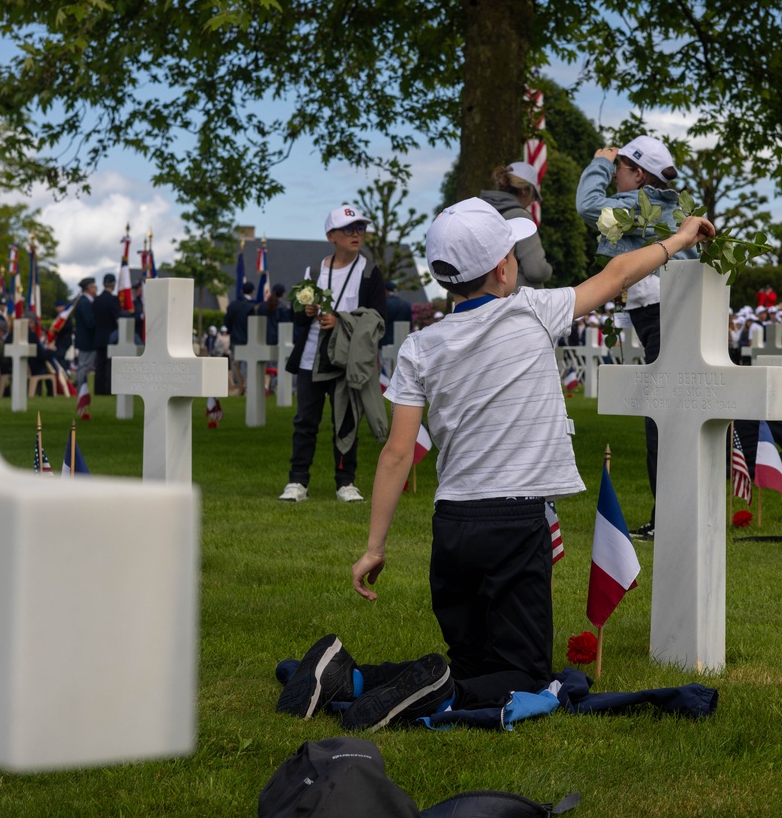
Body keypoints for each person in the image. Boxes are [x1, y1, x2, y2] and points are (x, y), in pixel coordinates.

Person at [275, 198, 714, 729]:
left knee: (474, 663)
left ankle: (355, 678)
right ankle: (422, 694)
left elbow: (396, 454)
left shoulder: (420, 347)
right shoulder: (532, 310)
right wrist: (680, 238)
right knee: (524, 677)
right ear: (505, 268)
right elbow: (618, 273)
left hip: (453, 526)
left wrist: (374, 547)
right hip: (513, 523)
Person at [576, 135, 697, 540]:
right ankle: (674, 516)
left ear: (639, 175)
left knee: (661, 417)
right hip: (667, 315)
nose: (613, 178)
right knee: (668, 417)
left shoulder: (641, 205)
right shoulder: (671, 208)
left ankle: (669, 521)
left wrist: (597, 161)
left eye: (618, 170)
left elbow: (588, 206)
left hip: (661, 316)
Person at [279, 205, 386, 504]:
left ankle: (346, 483)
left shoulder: (369, 271)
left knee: (346, 422)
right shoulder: (314, 271)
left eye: (360, 229)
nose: (356, 235)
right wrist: (307, 310)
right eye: (349, 230)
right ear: (331, 236)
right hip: (310, 358)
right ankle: (297, 482)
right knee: (305, 422)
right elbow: (298, 318)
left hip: (345, 359)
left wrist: (341, 320)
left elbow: (378, 317)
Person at [479, 160, 552, 289]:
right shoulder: (519, 215)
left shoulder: (481, 213)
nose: (531, 202)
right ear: (524, 191)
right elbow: (536, 270)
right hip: (516, 302)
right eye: (533, 196)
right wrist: (548, 268)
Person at [224, 279, 258, 394]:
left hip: (235, 339)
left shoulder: (232, 305)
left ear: (242, 291)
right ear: (252, 292)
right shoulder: (252, 306)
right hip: (249, 339)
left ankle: (239, 386)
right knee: (247, 364)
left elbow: (227, 322)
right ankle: (247, 387)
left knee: (236, 364)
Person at [92, 272, 123, 395]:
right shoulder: (113, 300)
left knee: (100, 365)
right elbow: (118, 318)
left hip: (98, 337)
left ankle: (98, 390)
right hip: (111, 337)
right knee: (109, 365)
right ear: (113, 284)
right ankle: (108, 389)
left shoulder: (96, 301)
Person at [379, 280, 413, 374]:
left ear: (386, 291)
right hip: (402, 343)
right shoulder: (406, 304)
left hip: (384, 343)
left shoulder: (382, 304)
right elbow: (410, 326)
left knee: (386, 371)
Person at [72, 276, 97, 390]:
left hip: (85, 339)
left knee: (83, 365)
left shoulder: (82, 301)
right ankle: (79, 387)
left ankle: (79, 385)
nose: (96, 288)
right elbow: (90, 322)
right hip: (87, 339)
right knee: (85, 365)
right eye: (93, 286)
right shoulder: (85, 303)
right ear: (88, 288)